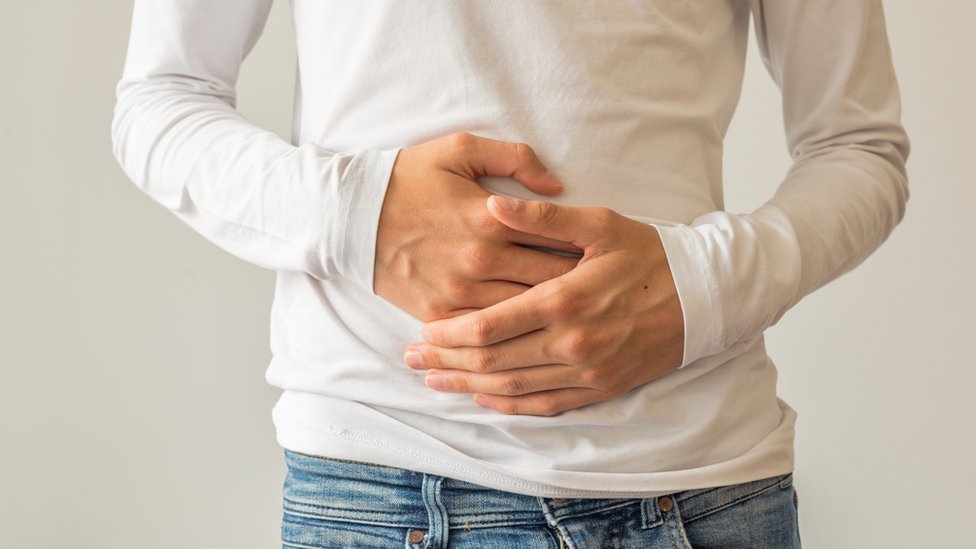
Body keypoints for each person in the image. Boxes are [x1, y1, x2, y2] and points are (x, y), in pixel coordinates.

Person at [111, 1, 909, 547]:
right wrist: (360, 217)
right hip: (384, 477)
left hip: (701, 486)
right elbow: (161, 98)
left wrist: (700, 289)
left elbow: (859, 148)